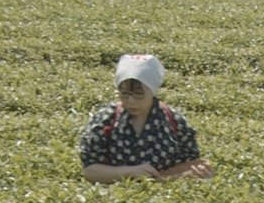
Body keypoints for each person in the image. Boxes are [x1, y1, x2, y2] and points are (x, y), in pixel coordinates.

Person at [79, 53, 214, 184]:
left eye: (138, 94)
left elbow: (190, 163)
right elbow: (90, 171)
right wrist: (130, 172)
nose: (131, 101)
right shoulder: (106, 118)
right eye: (125, 94)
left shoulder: (174, 120)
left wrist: (198, 171)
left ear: (153, 91)